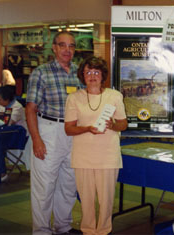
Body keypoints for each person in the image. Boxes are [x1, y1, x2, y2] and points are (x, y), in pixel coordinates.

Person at [25, 31, 82, 235]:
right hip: (49, 130)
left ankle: (63, 226)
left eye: (71, 46)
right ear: (54, 48)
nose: (67, 50)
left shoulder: (80, 72)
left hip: (74, 132)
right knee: (44, 186)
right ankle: (41, 230)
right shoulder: (41, 72)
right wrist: (37, 140)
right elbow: (30, 108)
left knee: (68, 183)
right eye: (63, 45)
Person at [64, 56, 127, 235]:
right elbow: (69, 129)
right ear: (82, 75)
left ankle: (104, 231)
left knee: (106, 200)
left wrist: (112, 126)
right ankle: (88, 230)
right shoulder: (74, 98)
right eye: (88, 72)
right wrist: (87, 129)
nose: (92, 76)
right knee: (86, 199)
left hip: (108, 155)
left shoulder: (114, 96)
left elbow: (123, 124)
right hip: (83, 156)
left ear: (102, 75)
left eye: (96, 72)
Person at [0, 85, 27, 183]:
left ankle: (2, 173)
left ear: (7, 99)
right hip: (2, 134)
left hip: (16, 136)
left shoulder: (17, 107)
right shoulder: (1, 106)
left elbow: (9, 122)